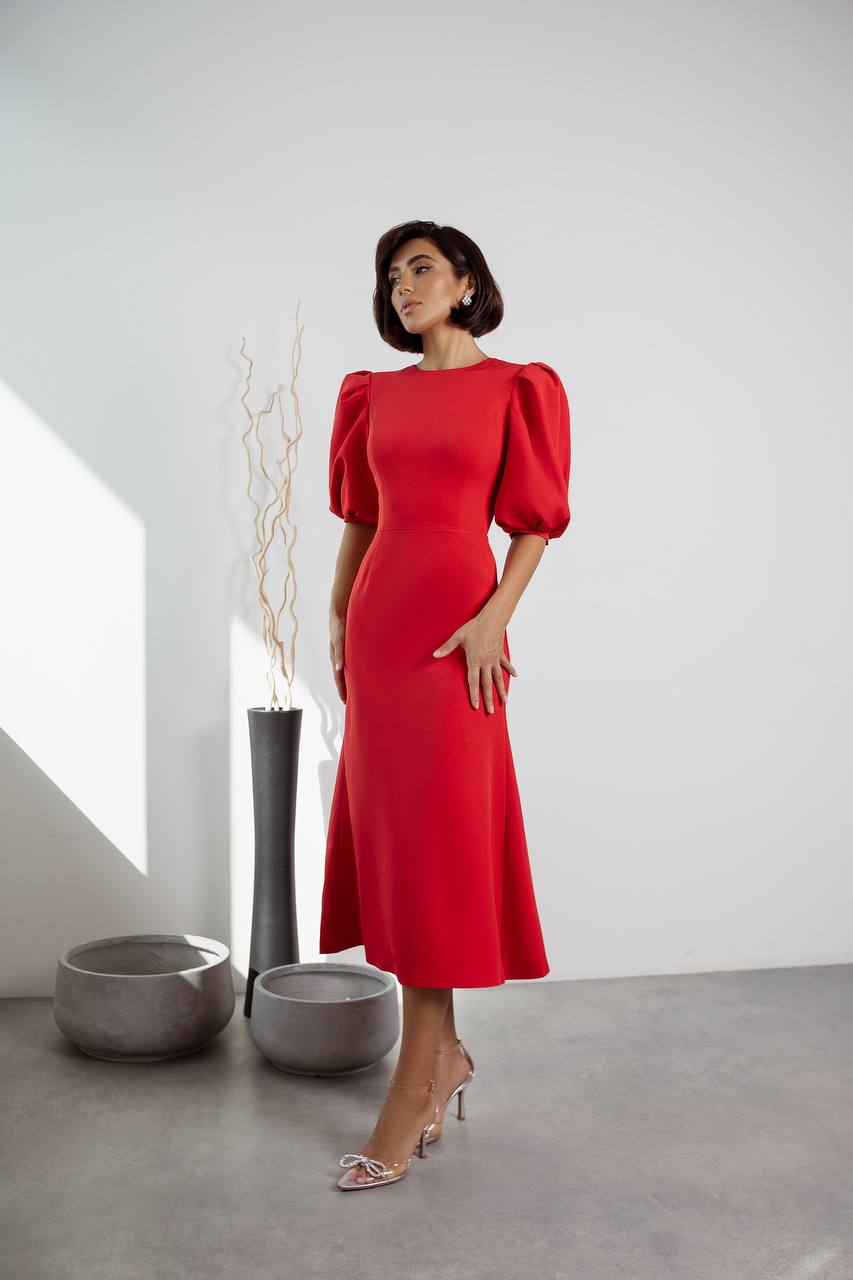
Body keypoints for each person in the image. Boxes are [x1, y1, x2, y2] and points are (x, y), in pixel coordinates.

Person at [322, 220, 572, 1190]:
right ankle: (447, 1059)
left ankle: (408, 1091)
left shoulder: (518, 387)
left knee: (440, 848)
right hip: (381, 629)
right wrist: (336, 614)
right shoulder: (371, 394)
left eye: (420, 268)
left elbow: (533, 524)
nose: (403, 285)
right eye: (392, 275)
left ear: (466, 281)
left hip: (459, 632)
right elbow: (360, 516)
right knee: (403, 846)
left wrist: (492, 621)